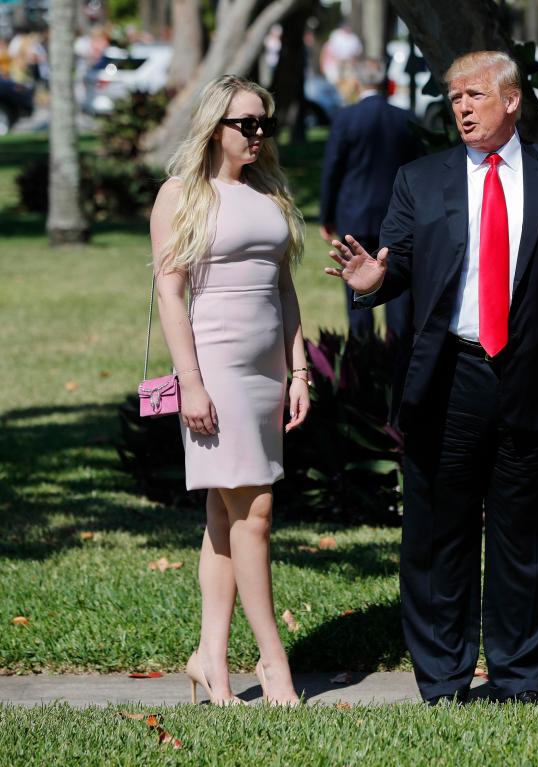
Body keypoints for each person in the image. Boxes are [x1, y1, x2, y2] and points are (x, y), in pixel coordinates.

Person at [325, 51, 538, 704]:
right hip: (447, 377)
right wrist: (374, 280)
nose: (460, 106)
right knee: (436, 535)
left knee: (529, 538)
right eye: (453, 96)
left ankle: (520, 677)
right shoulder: (421, 179)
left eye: (474, 94)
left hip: (533, 376)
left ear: (512, 100)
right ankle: (444, 677)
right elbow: (392, 262)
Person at [150, 75, 309, 706]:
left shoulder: (268, 192)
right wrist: (189, 381)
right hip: (214, 370)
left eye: (263, 123)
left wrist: (299, 371)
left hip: (268, 368)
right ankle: (274, 664)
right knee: (256, 515)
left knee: (225, 514)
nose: (257, 134)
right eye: (245, 123)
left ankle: (208, 659)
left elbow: (285, 288)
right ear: (215, 126)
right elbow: (170, 292)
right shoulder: (182, 195)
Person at [320, 57, 420, 342]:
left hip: (355, 213)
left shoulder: (345, 118)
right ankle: (398, 344)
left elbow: (332, 170)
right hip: (398, 215)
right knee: (398, 284)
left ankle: (364, 350)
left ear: (358, 82)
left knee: (357, 284)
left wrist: (327, 216)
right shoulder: (405, 117)